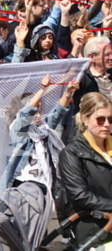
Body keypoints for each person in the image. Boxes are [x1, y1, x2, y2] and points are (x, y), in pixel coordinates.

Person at [0, 74, 75, 194]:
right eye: (35, 111)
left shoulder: (44, 129)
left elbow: (58, 112)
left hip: (47, 182)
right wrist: (43, 89)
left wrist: (68, 93)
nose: (38, 115)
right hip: (24, 184)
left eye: (40, 110)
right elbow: (26, 114)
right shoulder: (18, 129)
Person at [60, 92, 112, 245]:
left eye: (111, 119)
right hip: (94, 228)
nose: (107, 124)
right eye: (100, 119)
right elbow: (80, 197)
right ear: (85, 119)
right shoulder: (72, 153)